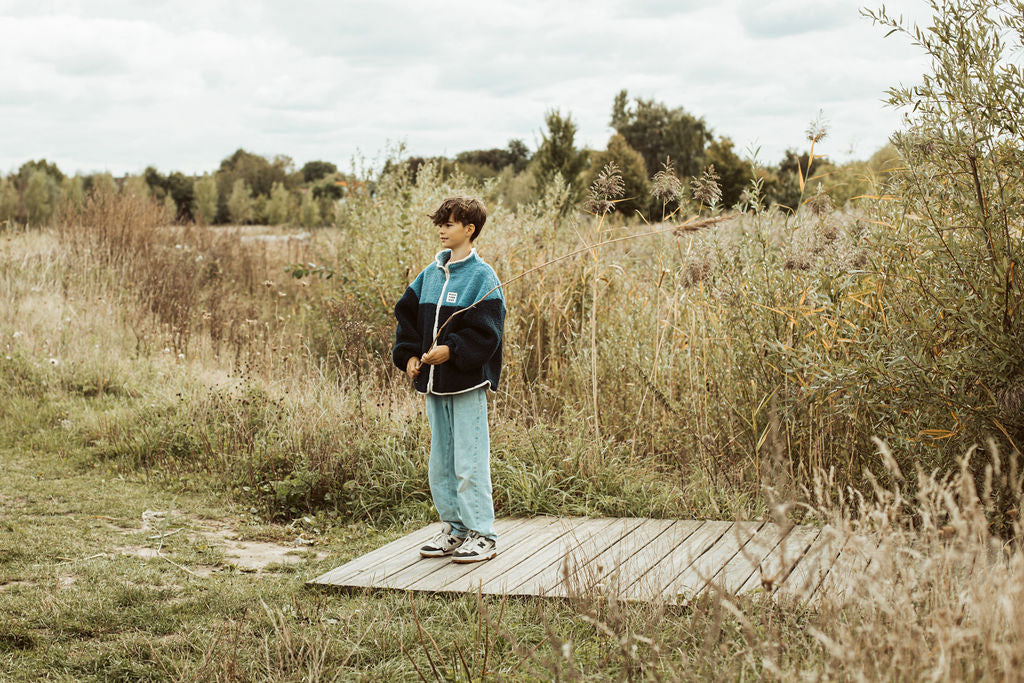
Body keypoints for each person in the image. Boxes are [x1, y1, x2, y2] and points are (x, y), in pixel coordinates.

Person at [392, 196, 506, 563]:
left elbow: (489, 334)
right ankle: (455, 530)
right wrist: (409, 355)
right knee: (441, 461)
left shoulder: (482, 277)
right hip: (433, 385)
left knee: (469, 460)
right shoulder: (429, 275)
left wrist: (452, 350)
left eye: (449, 224)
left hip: (466, 384)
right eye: (440, 223)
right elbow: (407, 320)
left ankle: (482, 534)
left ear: (469, 229)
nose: (442, 230)